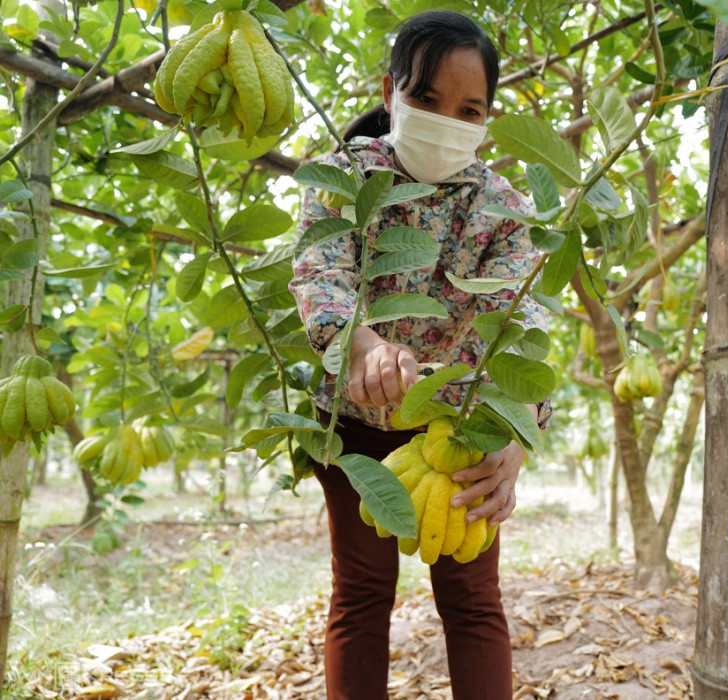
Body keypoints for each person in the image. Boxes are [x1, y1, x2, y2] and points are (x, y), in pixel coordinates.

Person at [288, 10, 551, 700]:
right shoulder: (345, 178)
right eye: (427, 100)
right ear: (390, 93)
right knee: (363, 591)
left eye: (469, 110)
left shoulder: (503, 208)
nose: (446, 122)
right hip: (353, 425)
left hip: (456, 430)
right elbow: (321, 272)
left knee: (472, 597)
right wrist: (362, 345)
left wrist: (518, 428)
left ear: (488, 119)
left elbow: (522, 322)